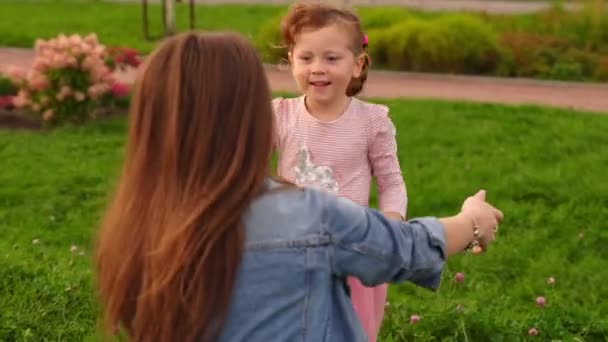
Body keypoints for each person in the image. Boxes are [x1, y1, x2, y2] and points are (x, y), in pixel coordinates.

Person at [94, 31, 503, 342]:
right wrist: (473, 221)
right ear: (247, 115)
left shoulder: (132, 225)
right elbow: (405, 248)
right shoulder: (306, 216)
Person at [272, 2, 407, 339]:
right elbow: (249, 171)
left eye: (331, 59)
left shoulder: (372, 121)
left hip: (351, 251)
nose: (318, 68)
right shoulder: (279, 115)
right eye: (306, 58)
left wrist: (391, 225)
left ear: (357, 65)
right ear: (291, 60)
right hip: (291, 250)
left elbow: (391, 181)